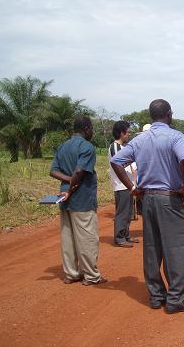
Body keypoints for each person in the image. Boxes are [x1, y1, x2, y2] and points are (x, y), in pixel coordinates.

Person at [111, 99, 184, 314]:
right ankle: (176, 299)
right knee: (176, 247)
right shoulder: (176, 136)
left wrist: (132, 188)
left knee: (152, 248)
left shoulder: (140, 140)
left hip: (147, 199)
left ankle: (156, 295)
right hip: (169, 199)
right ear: (169, 114)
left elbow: (116, 161)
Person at [49, 116, 106, 286]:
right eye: (92, 129)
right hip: (82, 199)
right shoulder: (87, 147)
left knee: (68, 238)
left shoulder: (63, 146)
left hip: (64, 198)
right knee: (87, 237)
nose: (92, 132)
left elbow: (53, 171)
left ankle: (71, 273)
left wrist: (67, 184)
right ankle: (91, 275)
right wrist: (73, 185)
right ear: (87, 129)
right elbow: (80, 171)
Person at [109, 120, 139, 248]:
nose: (128, 135)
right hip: (121, 185)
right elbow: (118, 164)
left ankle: (126, 235)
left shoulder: (124, 147)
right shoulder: (115, 147)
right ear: (121, 133)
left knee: (127, 212)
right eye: (127, 133)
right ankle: (119, 238)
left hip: (128, 184)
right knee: (122, 212)